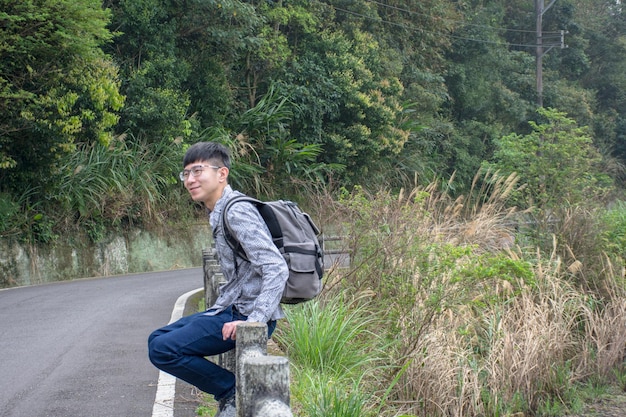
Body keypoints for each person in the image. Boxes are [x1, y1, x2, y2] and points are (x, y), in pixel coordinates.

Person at [148, 142, 289, 417]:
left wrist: (254, 320)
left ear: (222, 173)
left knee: (163, 349)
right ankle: (228, 391)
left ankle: (230, 391)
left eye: (198, 171)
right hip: (230, 308)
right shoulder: (219, 211)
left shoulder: (236, 211)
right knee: (158, 339)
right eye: (186, 173)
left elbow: (276, 267)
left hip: (245, 315)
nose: (190, 179)